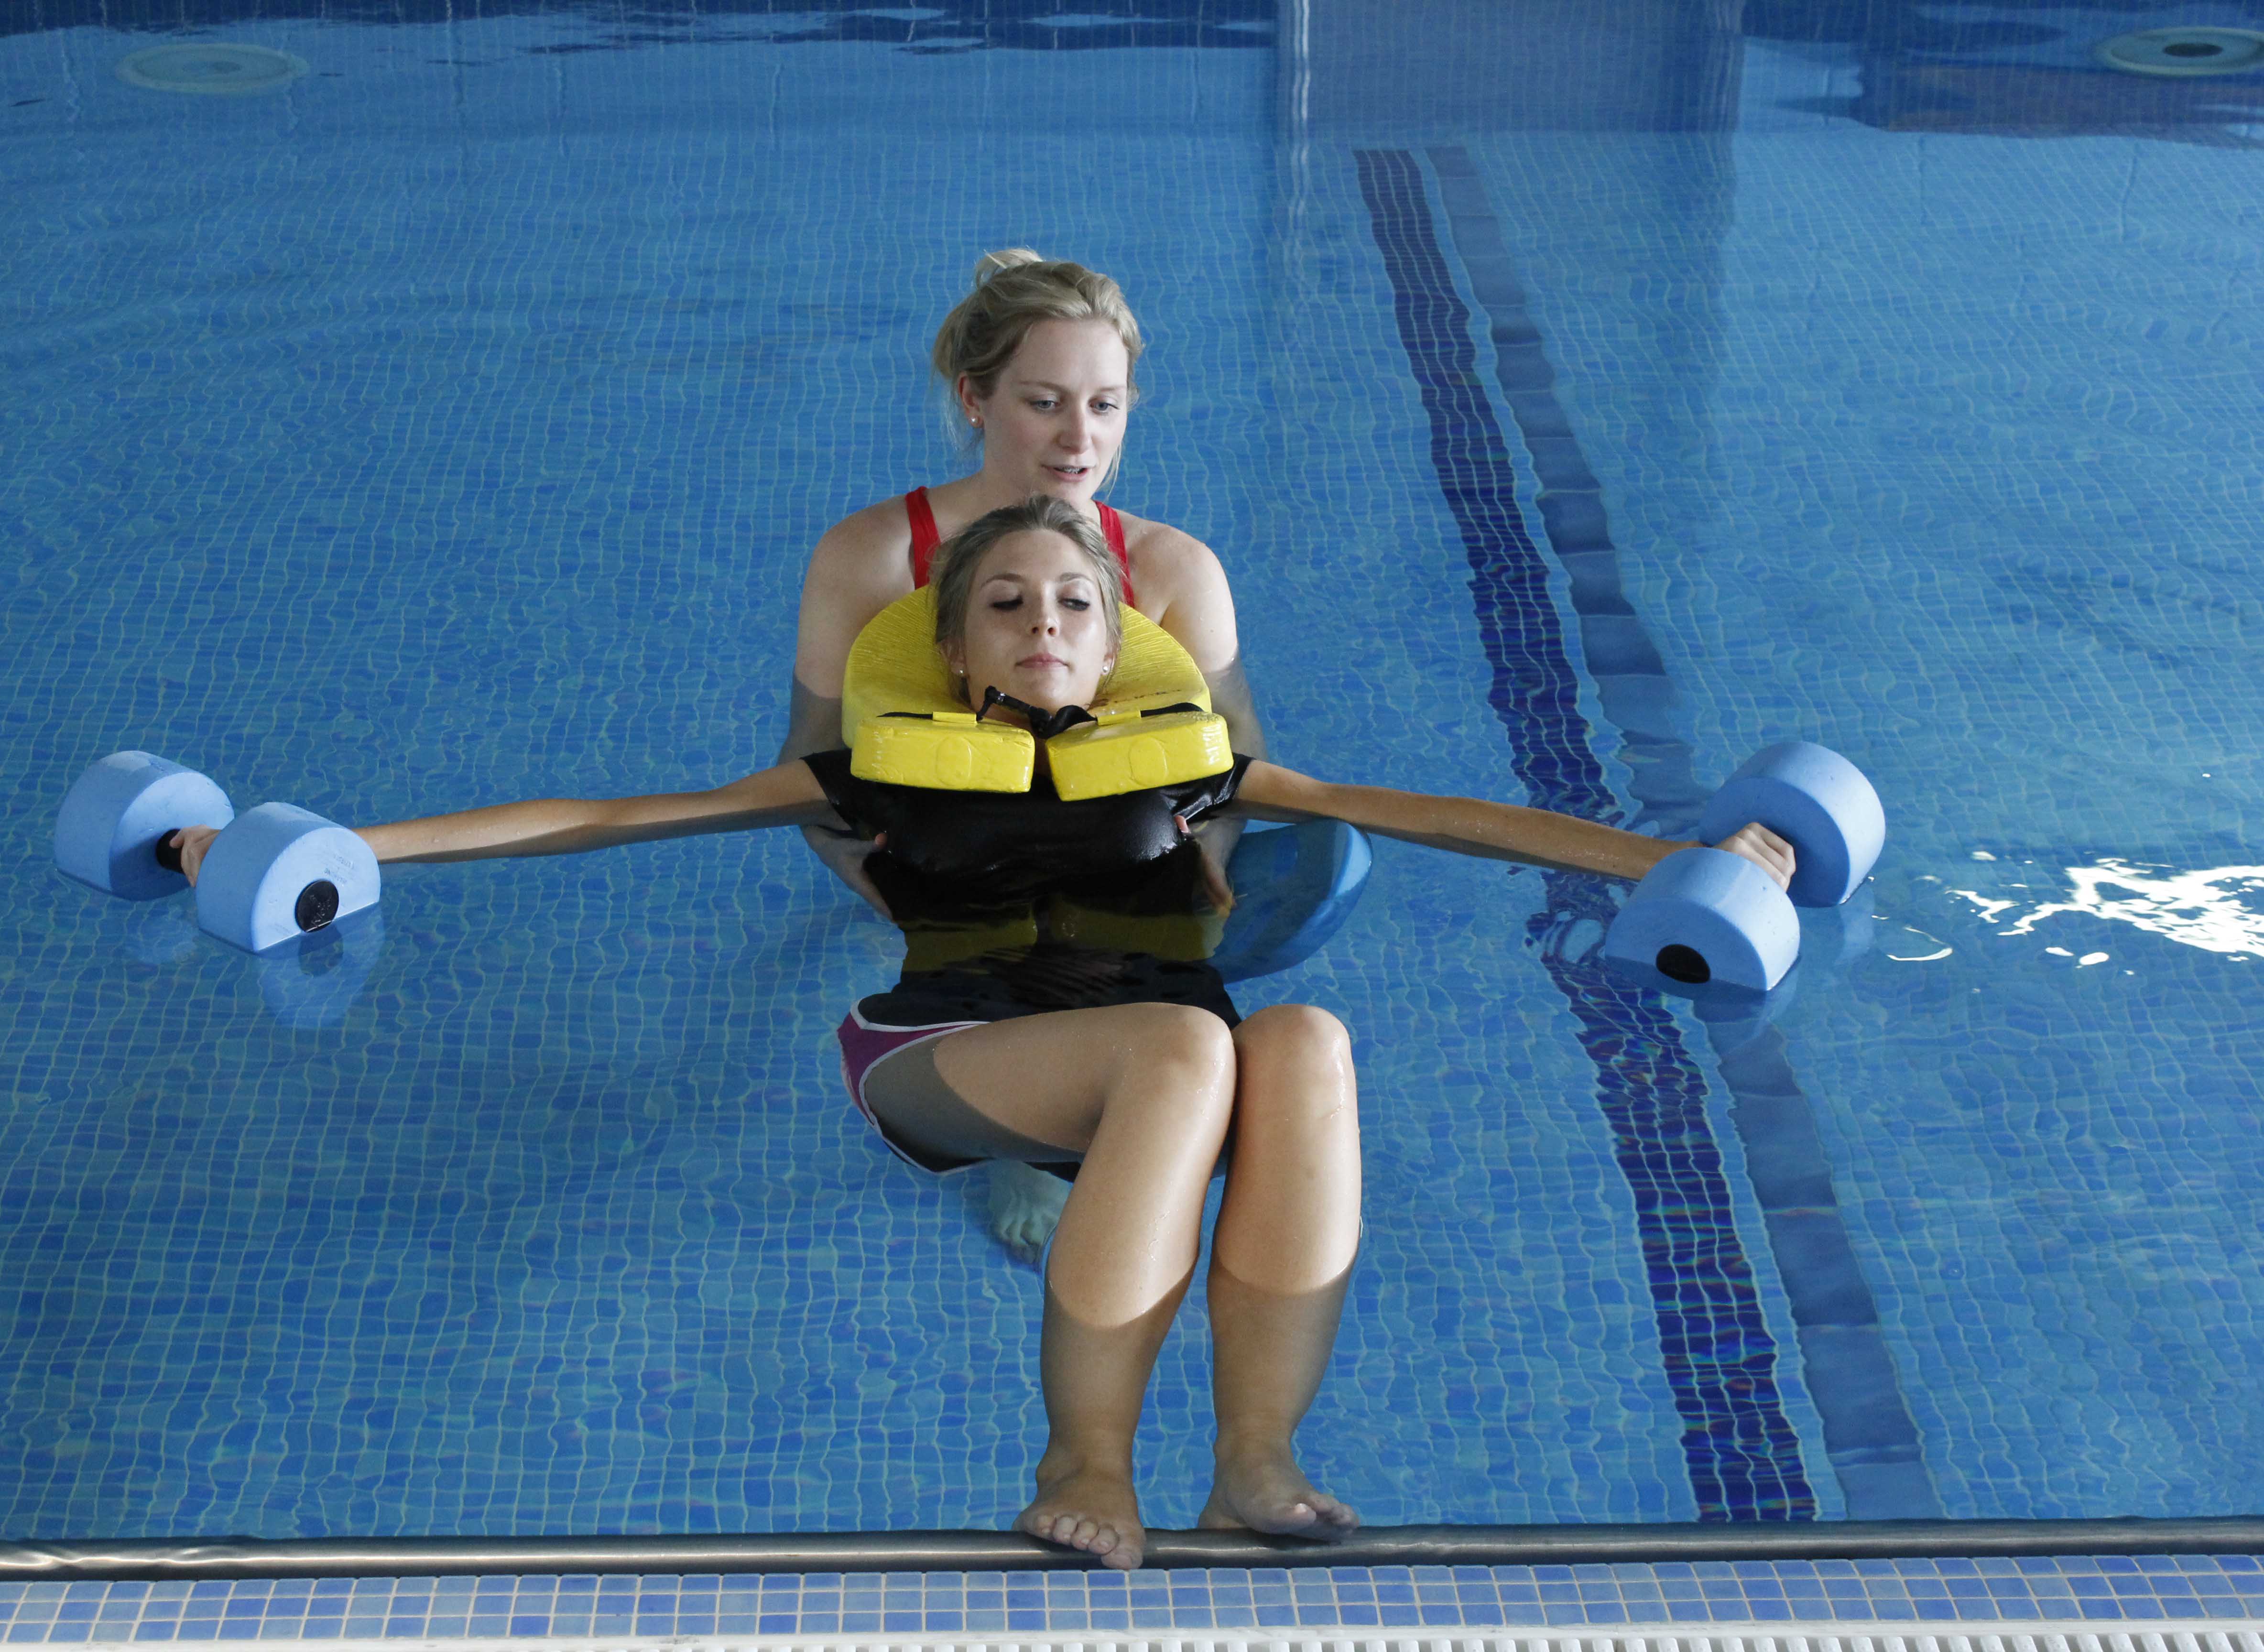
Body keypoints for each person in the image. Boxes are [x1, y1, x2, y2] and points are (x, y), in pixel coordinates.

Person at [171, 498, 1793, 1570]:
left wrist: (1685, 861)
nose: (1039, 618)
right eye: (1003, 600)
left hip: (1160, 1058)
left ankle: (1254, 1454)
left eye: (1072, 600)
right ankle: (1086, 1461)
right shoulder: (875, 768)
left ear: (1115, 636)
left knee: (1298, 1039)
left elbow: (1440, 812)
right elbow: (605, 815)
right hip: (937, 1062)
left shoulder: (1190, 760)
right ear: (952, 646)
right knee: (1182, 1044)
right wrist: (353, 848)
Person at [782, 249, 1266, 1254]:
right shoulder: (871, 558)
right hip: (943, 854)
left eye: (1106, 404)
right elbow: (810, 767)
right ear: (974, 397)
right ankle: (1022, 1123)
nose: (1079, 439)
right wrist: (879, 881)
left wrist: (1211, 862)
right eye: (1045, 402)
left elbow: (1235, 767)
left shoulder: (1174, 571)